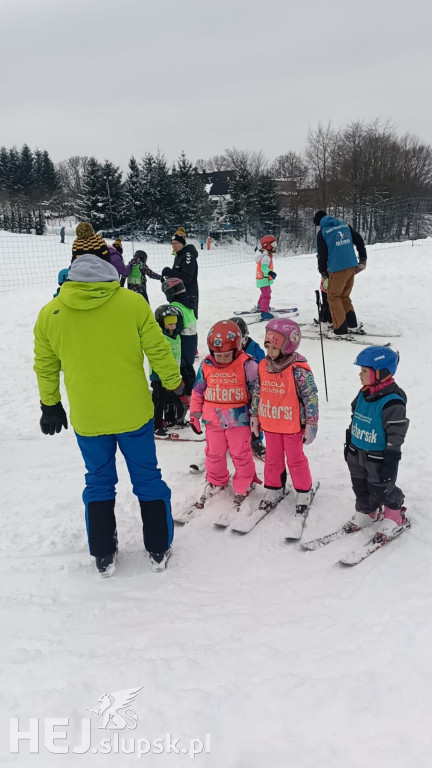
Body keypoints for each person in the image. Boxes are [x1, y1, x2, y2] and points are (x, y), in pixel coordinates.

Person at [34, 225, 184, 577]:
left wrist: (50, 404)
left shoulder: (51, 313)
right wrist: (175, 385)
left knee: (98, 481)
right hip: (133, 413)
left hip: (89, 418)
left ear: (73, 264)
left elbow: (45, 365)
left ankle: (103, 553)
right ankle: (159, 546)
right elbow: (159, 349)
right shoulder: (132, 303)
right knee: (148, 478)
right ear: (108, 262)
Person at [189, 320, 259, 514]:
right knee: (213, 452)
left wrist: (256, 416)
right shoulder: (206, 365)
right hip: (214, 421)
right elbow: (197, 391)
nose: (222, 359)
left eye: (227, 355)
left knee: (241, 453)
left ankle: (245, 482)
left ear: (236, 350)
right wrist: (194, 414)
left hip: (239, 421)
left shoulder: (248, 364)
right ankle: (216, 480)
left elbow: (257, 393)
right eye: (218, 355)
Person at [250, 318, 319, 515]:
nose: (269, 351)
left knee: (296, 459)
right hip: (271, 423)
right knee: (272, 458)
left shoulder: (298, 369)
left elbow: (310, 397)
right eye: (267, 345)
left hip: (292, 426)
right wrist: (255, 414)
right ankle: (274, 488)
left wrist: (311, 424)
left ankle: (304, 491)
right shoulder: (264, 365)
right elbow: (258, 391)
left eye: (274, 347)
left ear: (288, 346)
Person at [344, 346, 410, 540]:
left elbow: (396, 434)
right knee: (359, 484)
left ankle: (394, 514)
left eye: (365, 371)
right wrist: (349, 443)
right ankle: (367, 510)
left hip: (378, 456)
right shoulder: (363, 393)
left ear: (381, 373)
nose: (360, 374)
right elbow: (354, 416)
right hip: (357, 451)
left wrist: (391, 458)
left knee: (382, 486)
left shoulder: (392, 402)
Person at [313, 210, 367, 336]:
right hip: (352, 266)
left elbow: (322, 255)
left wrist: (323, 272)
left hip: (337, 268)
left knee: (333, 297)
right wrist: (363, 259)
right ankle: (351, 324)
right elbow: (359, 241)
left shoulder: (323, 233)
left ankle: (340, 329)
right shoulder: (345, 226)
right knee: (344, 296)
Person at [230, 316, 266, 459]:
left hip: (253, 390)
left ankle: (256, 440)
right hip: (235, 391)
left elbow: (263, 368)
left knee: (255, 415)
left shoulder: (255, 350)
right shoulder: (229, 349)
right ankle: (231, 439)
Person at [150, 305, 188, 435]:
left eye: (174, 323)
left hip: (172, 375)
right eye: (169, 324)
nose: (172, 327)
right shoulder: (159, 337)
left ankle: (171, 420)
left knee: (172, 398)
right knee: (159, 402)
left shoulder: (176, 336)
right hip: (159, 376)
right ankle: (157, 425)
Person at [162, 276, 197, 396]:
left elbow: (176, 327)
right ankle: (192, 390)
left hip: (182, 341)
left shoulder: (175, 307)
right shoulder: (187, 303)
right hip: (191, 338)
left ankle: (188, 392)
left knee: (182, 366)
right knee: (188, 365)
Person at [162, 227, 199, 317]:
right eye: (172, 243)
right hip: (178, 295)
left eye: (177, 243)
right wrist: (166, 278)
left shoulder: (188, 255)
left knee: (188, 323)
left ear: (182, 243)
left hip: (188, 295)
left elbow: (187, 277)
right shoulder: (179, 255)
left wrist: (170, 273)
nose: (174, 245)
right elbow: (176, 275)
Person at [255, 235, 277, 320]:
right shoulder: (266, 257)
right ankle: (264, 312)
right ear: (267, 246)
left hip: (262, 279)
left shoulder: (266, 255)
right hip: (263, 279)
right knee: (266, 295)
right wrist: (270, 272)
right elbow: (263, 268)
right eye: (273, 245)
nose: (275, 247)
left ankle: (260, 305)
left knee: (266, 292)